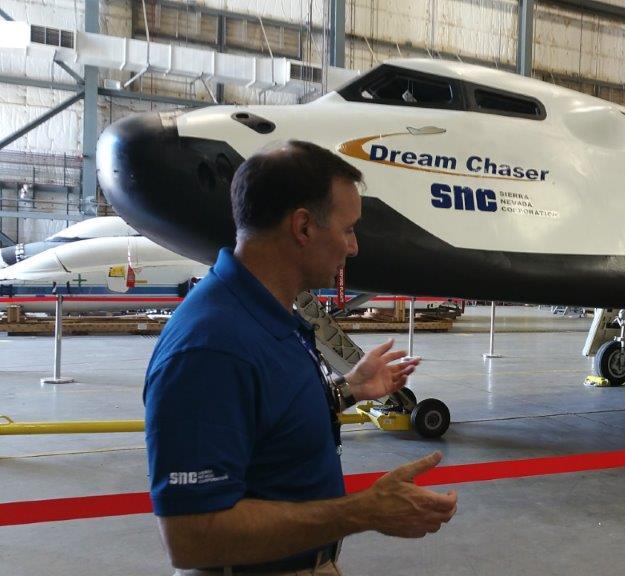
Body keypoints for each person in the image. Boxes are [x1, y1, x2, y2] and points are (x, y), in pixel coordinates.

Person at [143, 140, 458, 575]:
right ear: (304, 227)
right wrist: (363, 511)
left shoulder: (270, 314)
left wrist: (349, 391)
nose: (354, 248)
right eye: (348, 229)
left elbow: (268, 417)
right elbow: (192, 536)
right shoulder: (211, 346)